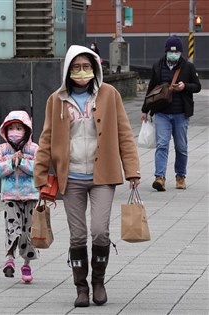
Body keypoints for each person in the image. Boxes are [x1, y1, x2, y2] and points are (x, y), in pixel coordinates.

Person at [34, 45, 141, 307]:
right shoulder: (56, 100)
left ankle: (99, 282)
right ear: (68, 70)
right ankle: (81, 287)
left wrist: (132, 170)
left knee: (100, 231)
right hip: (70, 178)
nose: (82, 72)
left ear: (95, 69)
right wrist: (40, 174)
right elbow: (46, 137)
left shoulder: (109, 94)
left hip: (102, 175)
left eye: (86, 67)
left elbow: (124, 133)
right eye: (76, 67)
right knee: (78, 235)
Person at [141, 35, 201, 191]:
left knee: (181, 146)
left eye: (176, 52)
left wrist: (185, 86)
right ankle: (159, 177)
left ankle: (180, 176)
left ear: (180, 52)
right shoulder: (158, 66)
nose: (173, 54)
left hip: (181, 113)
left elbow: (197, 86)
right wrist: (145, 109)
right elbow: (151, 89)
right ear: (166, 52)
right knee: (162, 145)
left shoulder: (188, 67)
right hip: (162, 112)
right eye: (171, 52)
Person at [0, 110, 40, 283]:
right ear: (5, 130)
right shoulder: (2, 149)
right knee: (13, 228)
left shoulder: (34, 149)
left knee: (28, 231)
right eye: (11, 128)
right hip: (10, 196)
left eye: (19, 128)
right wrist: (11, 162)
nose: (15, 131)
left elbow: (39, 169)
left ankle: (26, 263)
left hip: (30, 196)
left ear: (26, 130)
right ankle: (9, 259)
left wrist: (22, 162)